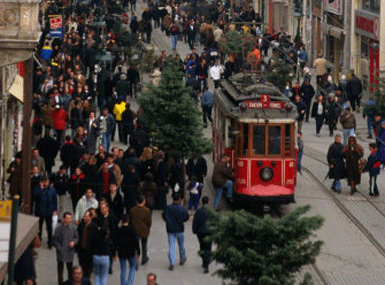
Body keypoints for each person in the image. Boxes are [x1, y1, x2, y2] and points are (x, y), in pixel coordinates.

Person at [162, 193, 189, 271]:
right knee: (181, 245)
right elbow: (186, 217)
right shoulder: (182, 208)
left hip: (170, 229)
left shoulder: (168, 208)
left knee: (171, 246)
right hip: (180, 229)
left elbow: (164, 216)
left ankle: (172, 263)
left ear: (172, 199)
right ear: (179, 199)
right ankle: (182, 259)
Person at [52, 212, 79, 285]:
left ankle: (70, 283)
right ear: (64, 219)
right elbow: (54, 239)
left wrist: (73, 242)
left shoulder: (73, 228)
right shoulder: (59, 228)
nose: (69, 220)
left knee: (70, 270)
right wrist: (59, 248)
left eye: (70, 218)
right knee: (60, 271)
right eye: (67, 218)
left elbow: (76, 237)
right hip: (61, 252)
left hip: (69, 252)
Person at [33, 176, 57, 248]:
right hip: (40, 211)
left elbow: (54, 200)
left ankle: (50, 241)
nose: (46, 183)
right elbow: (35, 196)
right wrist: (41, 189)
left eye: (46, 182)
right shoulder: (37, 189)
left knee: (49, 227)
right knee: (39, 227)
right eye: (44, 182)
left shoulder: (52, 189)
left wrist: (55, 209)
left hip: (49, 211)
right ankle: (38, 239)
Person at [116, 214, 140, 285]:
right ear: (128, 220)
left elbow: (116, 241)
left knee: (123, 268)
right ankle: (130, 283)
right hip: (131, 251)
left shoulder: (119, 230)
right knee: (132, 267)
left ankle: (123, 283)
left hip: (122, 251)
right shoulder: (132, 229)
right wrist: (138, 251)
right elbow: (136, 241)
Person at [129, 195, 152, 265]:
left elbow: (130, 220)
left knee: (135, 246)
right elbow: (149, 221)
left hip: (135, 230)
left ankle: (135, 260)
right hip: (144, 230)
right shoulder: (147, 210)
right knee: (144, 244)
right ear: (144, 201)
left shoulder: (132, 210)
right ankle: (144, 258)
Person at [76, 210, 98, 279]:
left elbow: (96, 240)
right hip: (81, 251)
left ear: (91, 217)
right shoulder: (81, 225)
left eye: (86, 216)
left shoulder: (94, 227)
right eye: (84, 216)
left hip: (89, 253)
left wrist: (94, 252)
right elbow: (77, 236)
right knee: (81, 269)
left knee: (87, 270)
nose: (84, 218)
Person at [192, 196, 212, 274]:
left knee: (202, 246)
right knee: (208, 248)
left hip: (200, 233)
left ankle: (204, 262)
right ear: (208, 202)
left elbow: (195, 222)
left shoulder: (198, 211)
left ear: (202, 202)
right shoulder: (211, 212)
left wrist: (194, 230)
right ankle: (206, 264)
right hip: (209, 232)